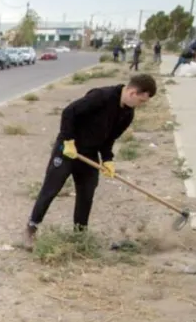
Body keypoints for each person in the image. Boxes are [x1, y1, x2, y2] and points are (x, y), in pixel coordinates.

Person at [24, 74, 158, 248]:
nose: (141, 105)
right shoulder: (101, 97)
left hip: (89, 154)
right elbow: (69, 112)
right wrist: (68, 140)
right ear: (133, 93)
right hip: (67, 149)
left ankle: (79, 235)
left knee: (86, 194)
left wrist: (108, 159)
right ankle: (31, 228)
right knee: (51, 189)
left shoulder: (127, 114)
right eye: (142, 101)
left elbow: (109, 138)